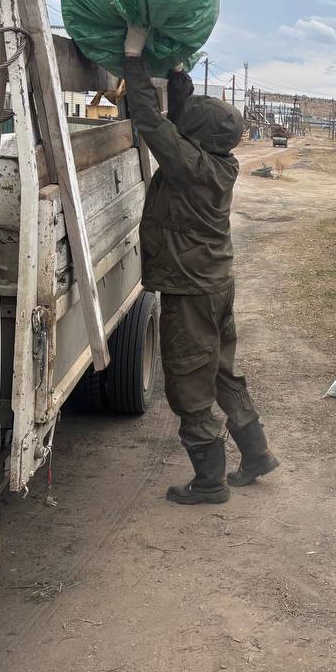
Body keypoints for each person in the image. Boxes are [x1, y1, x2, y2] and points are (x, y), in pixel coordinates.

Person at [122, 26, 278, 504]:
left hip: (191, 290)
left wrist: (133, 55)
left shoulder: (190, 166)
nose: (183, 123)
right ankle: (256, 454)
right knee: (220, 371)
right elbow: (181, 117)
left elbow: (149, 120)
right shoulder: (218, 161)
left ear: (196, 138)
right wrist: (176, 71)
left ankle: (210, 480)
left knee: (189, 380)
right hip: (215, 283)